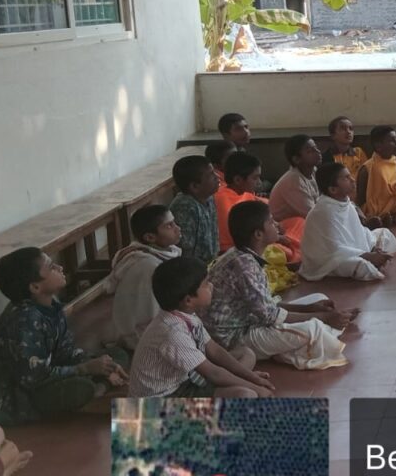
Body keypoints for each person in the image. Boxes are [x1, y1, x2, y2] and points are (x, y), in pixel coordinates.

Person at [200, 201, 355, 370]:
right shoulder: (243, 265)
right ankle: (294, 346)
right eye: (271, 222)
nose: (277, 226)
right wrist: (323, 317)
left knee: (320, 299)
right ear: (258, 234)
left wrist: (310, 308)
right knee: (313, 328)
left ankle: (290, 345)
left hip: (250, 320)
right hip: (234, 339)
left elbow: (266, 305)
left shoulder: (242, 255)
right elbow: (270, 316)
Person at [0, 248, 129, 425]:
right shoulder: (25, 321)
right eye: (51, 267)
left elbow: (65, 352)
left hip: (50, 371)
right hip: (18, 395)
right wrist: (85, 369)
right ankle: (93, 393)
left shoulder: (52, 304)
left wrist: (98, 364)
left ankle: (97, 390)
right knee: (79, 388)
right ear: (35, 287)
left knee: (116, 354)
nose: (60, 267)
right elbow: (33, 378)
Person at [128, 257, 275, 398]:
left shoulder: (185, 314)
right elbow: (213, 373)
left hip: (186, 379)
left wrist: (252, 378)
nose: (211, 286)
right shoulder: (171, 333)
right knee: (247, 394)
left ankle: (228, 385)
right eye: (205, 284)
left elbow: (215, 351)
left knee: (246, 354)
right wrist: (255, 387)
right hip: (165, 396)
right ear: (188, 300)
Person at [301, 163, 396, 282]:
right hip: (328, 262)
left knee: (384, 233)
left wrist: (374, 248)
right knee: (358, 265)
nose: (352, 180)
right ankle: (374, 262)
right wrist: (368, 256)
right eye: (346, 178)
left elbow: (360, 232)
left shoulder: (346, 203)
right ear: (333, 189)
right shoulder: (323, 211)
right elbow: (334, 250)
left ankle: (375, 259)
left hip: (353, 250)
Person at [106, 205, 183, 349]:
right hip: (140, 336)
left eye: (175, 223)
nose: (177, 228)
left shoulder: (162, 252)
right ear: (150, 237)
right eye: (169, 226)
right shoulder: (148, 267)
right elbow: (149, 313)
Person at [215, 152, 302, 262]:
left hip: (261, 233)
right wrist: (277, 237)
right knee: (288, 252)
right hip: (241, 247)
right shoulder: (222, 200)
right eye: (255, 178)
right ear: (238, 180)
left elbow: (262, 213)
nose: (259, 183)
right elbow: (239, 237)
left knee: (298, 221)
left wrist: (274, 225)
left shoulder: (245, 192)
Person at [168, 155, 221, 262]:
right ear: (195, 186)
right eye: (211, 175)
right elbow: (185, 250)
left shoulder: (208, 197)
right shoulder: (185, 206)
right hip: (192, 270)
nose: (217, 177)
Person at [270, 134, 322, 222]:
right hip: (284, 227)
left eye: (316, 148)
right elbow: (313, 215)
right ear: (297, 159)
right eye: (310, 151)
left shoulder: (313, 171)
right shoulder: (293, 181)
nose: (318, 152)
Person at [321, 116, 368, 182]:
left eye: (351, 128)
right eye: (343, 128)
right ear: (333, 135)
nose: (348, 132)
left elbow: (367, 174)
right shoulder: (327, 157)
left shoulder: (358, 152)